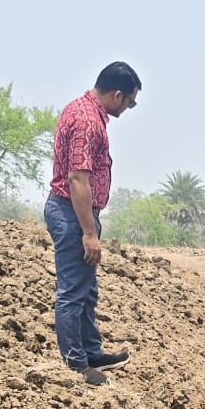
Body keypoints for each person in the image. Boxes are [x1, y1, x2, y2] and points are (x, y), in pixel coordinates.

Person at [44, 61, 142, 385]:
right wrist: (88, 232)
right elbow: (77, 178)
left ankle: (90, 351)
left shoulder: (83, 111)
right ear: (117, 95)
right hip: (72, 213)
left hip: (78, 213)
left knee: (86, 289)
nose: (127, 108)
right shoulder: (87, 121)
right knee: (73, 291)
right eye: (129, 102)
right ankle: (76, 364)